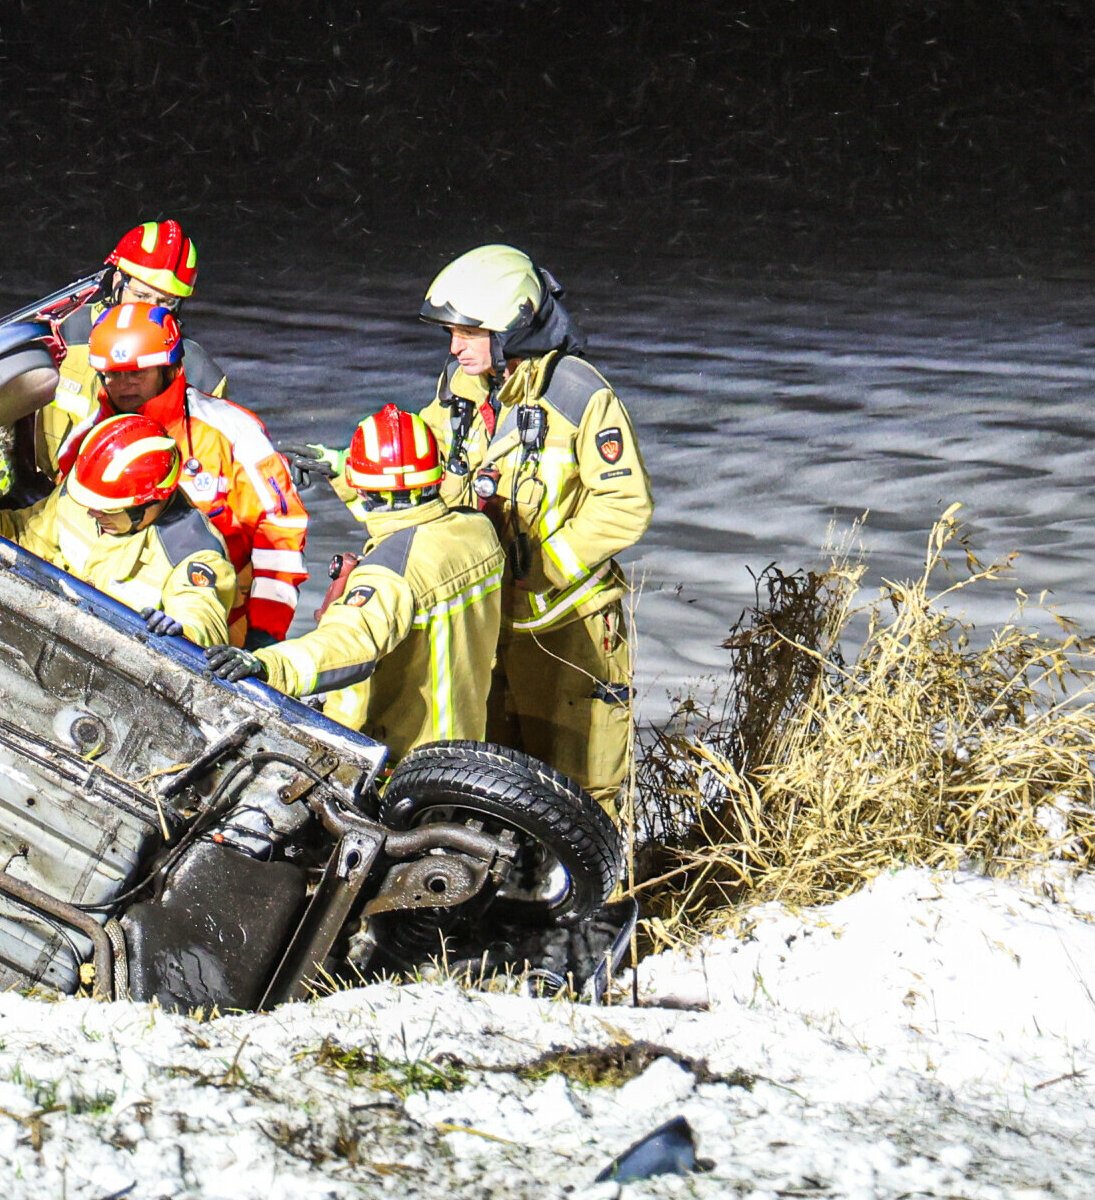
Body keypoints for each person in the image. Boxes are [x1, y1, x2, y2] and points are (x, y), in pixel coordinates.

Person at [413, 244, 649, 818]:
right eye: (451, 333)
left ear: (513, 327)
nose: (454, 347)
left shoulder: (578, 394)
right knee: (492, 791)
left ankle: (601, 908)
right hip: (489, 625)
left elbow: (624, 505)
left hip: (571, 632)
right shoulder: (458, 391)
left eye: (468, 334)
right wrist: (355, 468)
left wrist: (541, 570)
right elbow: (422, 468)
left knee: (582, 798)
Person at [217, 405, 502, 756]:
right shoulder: (476, 531)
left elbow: (348, 642)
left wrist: (267, 664)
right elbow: (409, 516)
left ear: (365, 490)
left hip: (405, 762)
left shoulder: (389, 574)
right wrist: (345, 473)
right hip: (467, 742)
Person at [34, 302, 313, 640]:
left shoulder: (233, 432)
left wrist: (264, 635)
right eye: (113, 374)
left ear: (170, 369)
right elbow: (59, 525)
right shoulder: (90, 438)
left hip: (218, 624)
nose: (123, 386)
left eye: (137, 373)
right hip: (109, 616)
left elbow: (281, 533)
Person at [0, 413, 244, 650]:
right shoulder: (85, 494)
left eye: (107, 509)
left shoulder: (194, 554)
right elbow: (20, 538)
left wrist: (183, 636)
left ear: (151, 502)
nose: (92, 513)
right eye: (89, 503)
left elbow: (202, 621)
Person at [48, 219, 225, 418]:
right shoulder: (59, 334)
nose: (149, 309)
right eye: (140, 296)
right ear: (117, 283)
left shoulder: (200, 374)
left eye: (164, 301)